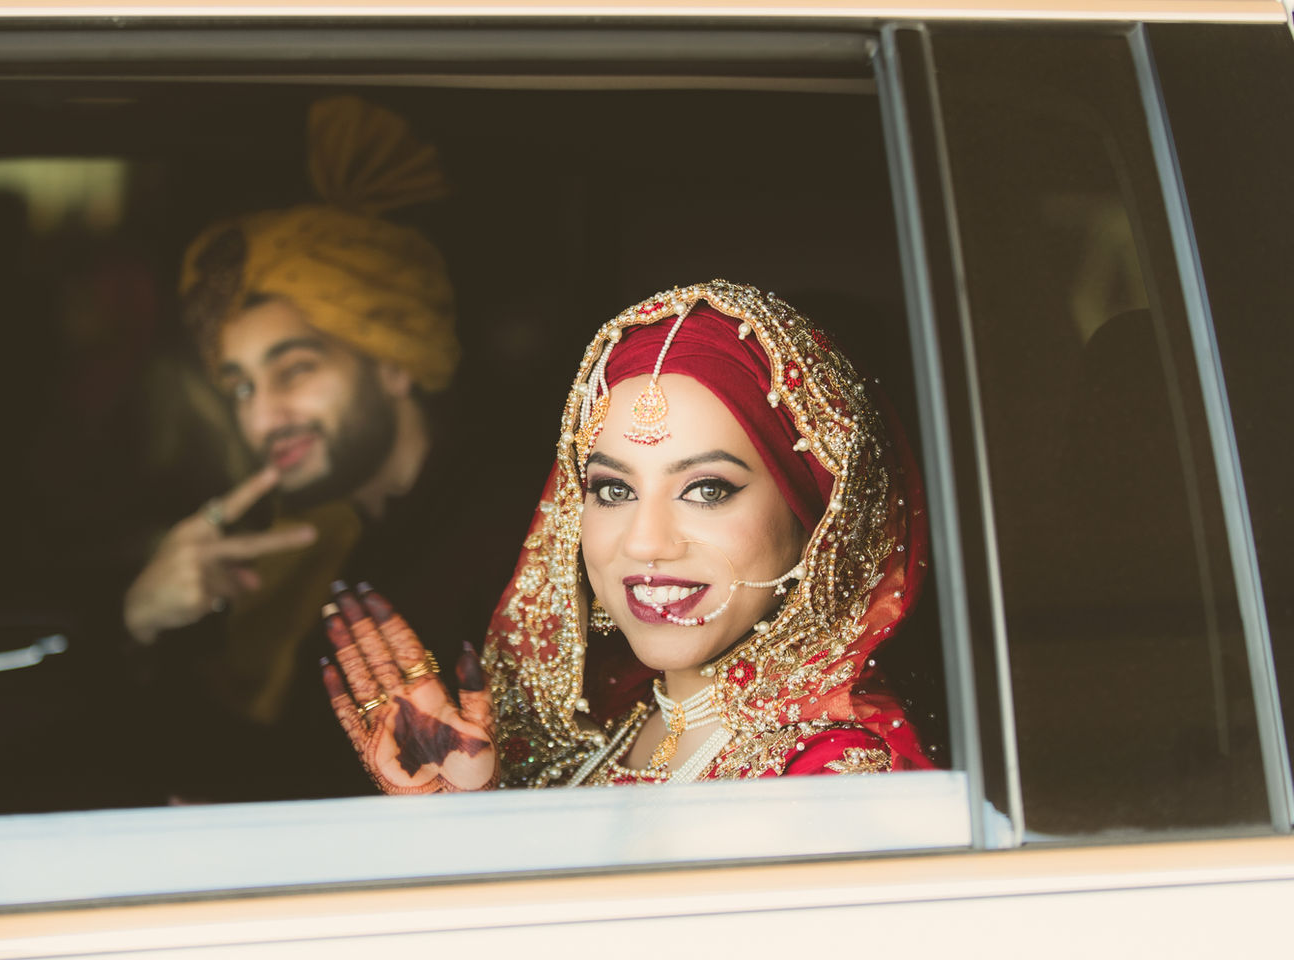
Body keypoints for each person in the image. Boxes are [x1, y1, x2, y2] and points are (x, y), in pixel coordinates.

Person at [319, 279, 932, 792]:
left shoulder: (836, 783)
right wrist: (457, 812)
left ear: (817, 514)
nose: (644, 543)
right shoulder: (595, 737)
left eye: (706, 490)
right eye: (614, 490)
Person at [121, 96, 473, 801]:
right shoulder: (320, 542)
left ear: (394, 362)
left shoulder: (500, 545)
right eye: (241, 386)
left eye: (296, 369)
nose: (263, 417)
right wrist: (148, 621)